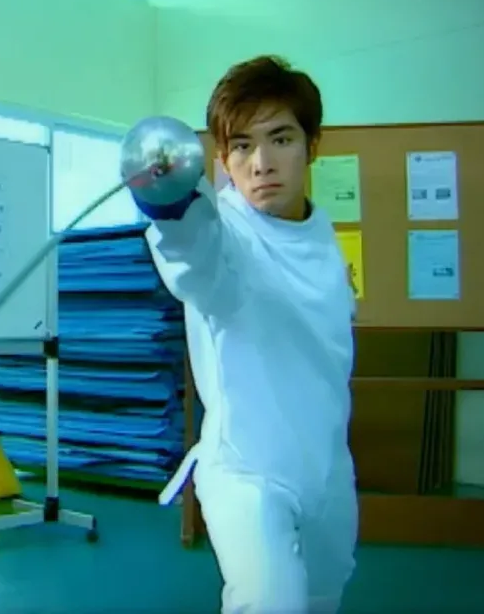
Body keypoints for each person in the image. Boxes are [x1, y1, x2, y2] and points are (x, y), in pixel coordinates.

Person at [132, 56, 358, 613]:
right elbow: (195, 256)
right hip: (247, 472)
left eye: (280, 139)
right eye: (241, 147)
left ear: (312, 145)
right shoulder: (225, 234)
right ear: (221, 160)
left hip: (328, 469)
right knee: (270, 603)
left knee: (324, 598)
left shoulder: (323, 236)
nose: (261, 164)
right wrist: (171, 203)